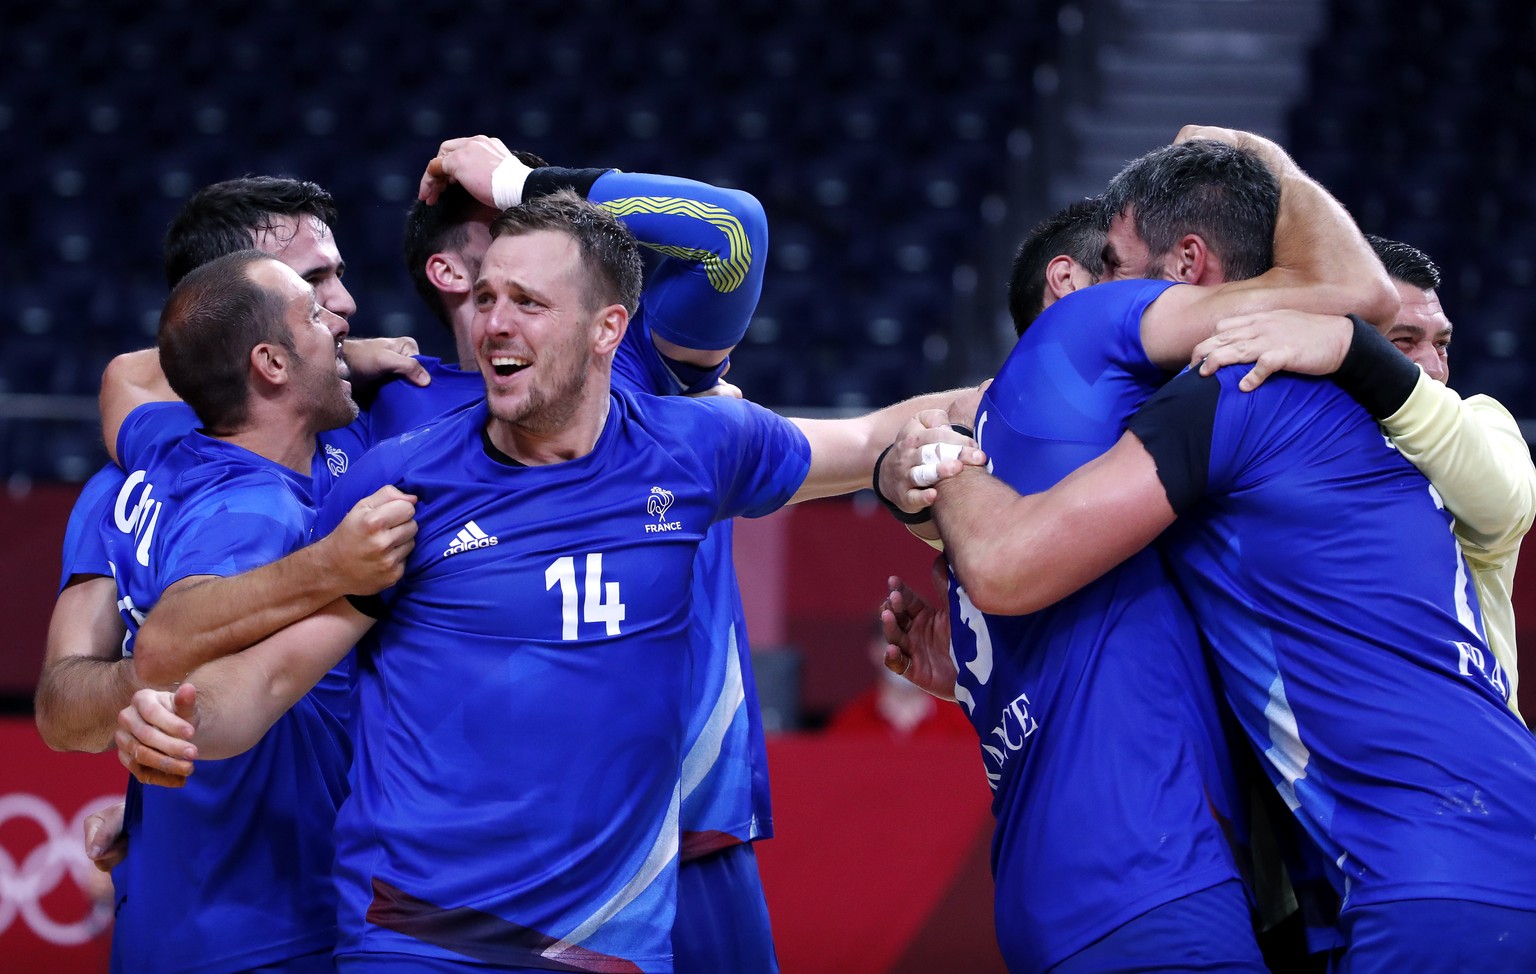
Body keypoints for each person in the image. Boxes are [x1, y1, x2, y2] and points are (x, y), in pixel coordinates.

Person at [115, 193, 982, 973]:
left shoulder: (695, 445)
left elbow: (866, 438)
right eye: (487, 297)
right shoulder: (404, 483)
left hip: (608, 947)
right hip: (420, 938)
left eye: (529, 303)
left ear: (609, 329)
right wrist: (181, 721)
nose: (496, 323)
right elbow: (268, 677)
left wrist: (960, 430)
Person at [876, 127, 1396, 973]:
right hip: (1150, 877)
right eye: (1129, 270)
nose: (1171, 289)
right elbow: (1349, 292)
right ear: (1072, 283)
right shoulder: (1089, 323)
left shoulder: (1001, 474)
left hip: (1050, 901)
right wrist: (1260, 157)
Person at [393, 137, 783, 972]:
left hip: (687, 835)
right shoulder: (388, 416)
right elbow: (176, 380)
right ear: (450, 273)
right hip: (493, 884)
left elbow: (731, 233)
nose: (553, 239)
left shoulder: (627, 362)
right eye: (509, 227)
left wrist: (520, 180)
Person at [100, 250, 419, 974]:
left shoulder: (172, 445)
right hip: (262, 928)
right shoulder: (253, 510)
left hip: (179, 911)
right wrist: (333, 567)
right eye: (313, 312)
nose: (338, 322)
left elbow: (122, 376)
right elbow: (168, 638)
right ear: (270, 363)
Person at [1190, 234, 1534, 721]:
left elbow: (1500, 505)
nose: (1434, 369)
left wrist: (1369, 359)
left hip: (1469, 750)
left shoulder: (1481, 419)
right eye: (1402, 343)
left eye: (1442, 344)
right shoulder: (1284, 441)